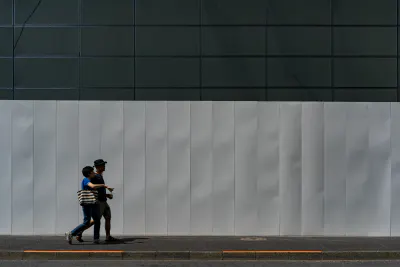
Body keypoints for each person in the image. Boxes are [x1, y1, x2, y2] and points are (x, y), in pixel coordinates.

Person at [75, 159, 118, 242]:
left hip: (104, 201)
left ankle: (108, 237)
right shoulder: (95, 177)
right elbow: (92, 188)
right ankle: (79, 232)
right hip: (99, 202)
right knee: (95, 220)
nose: (104, 166)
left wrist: (106, 195)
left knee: (108, 217)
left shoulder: (99, 176)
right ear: (97, 167)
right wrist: (103, 189)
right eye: (102, 165)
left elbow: (99, 189)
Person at [65, 166, 109, 244]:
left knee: (97, 220)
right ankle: (71, 233)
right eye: (92, 172)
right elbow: (92, 186)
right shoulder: (86, 180)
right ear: (89, 173)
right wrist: (103, 185)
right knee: (86, 222)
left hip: (92, 202)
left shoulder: (90, 179)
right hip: (87, 204)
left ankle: (96, 238)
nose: (94, 173)